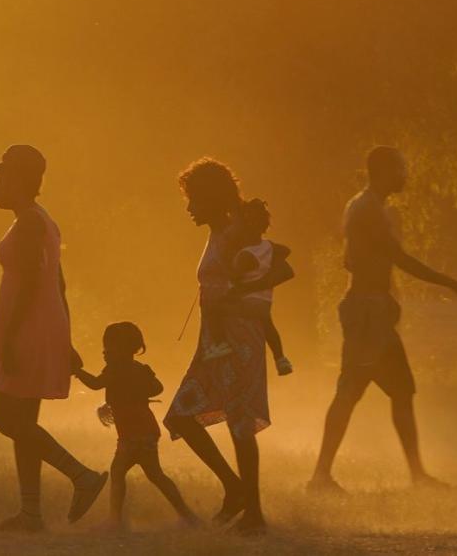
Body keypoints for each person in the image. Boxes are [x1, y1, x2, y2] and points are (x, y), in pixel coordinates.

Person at [308, 146, 457, 493]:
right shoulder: (368, 209)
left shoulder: (364, 206)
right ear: (385, 171)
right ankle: (321, 477)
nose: (405, 175)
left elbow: (350, 261)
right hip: (368, 314)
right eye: (401, 168)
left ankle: (413, 475)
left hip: (371, 312)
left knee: (398, 390)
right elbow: (399, 259)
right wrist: (454, 285)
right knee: (351, 392)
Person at [164, 158, 293, 535]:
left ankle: (253, 513)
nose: (188, 208)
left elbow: (277, 270)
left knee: (240, 422)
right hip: (214, 340)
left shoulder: (237, 232)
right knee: (182, 417)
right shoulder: (220, 231)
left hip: (238, 337)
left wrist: (240, 296)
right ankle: (236, 490)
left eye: (193, 200)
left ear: (210, 198)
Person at [0, 145, 107, 532]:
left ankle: (82, 476)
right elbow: (59, 282)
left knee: (5, 416)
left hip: (28, 326)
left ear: (19, 180)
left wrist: (12, 336)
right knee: (23, 419)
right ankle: (30, 513)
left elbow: (33, 283)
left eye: (1, 177)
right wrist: (65, 336)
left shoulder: (30, 223)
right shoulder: (37, 220)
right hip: (42, 324)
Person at [73, 321, 199, 530]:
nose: (104, 352)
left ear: (123, 348)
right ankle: (188, 516)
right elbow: (157, 387)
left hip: (132, 433)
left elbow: (95, 384)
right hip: (147, 430)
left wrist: (76, 370)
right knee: (155, 475)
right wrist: (134, 393)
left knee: (117, 471)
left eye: (109, 347)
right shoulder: (139, 368)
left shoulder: (115, 369)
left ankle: (115, 521)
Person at [226, 198, 293, 375]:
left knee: (219, 309)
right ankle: (280, 358)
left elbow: (235, 278)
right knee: (268, 327)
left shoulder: (245, 255)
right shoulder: (269, 247)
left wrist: (234, 286)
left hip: (246, 302)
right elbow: (286, 250)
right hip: (264, 302)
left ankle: (219, 344)